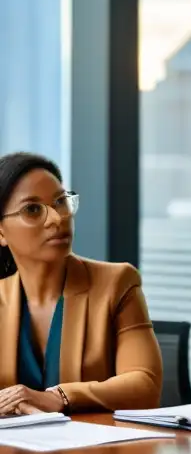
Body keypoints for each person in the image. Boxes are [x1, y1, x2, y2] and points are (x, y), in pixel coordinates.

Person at [0, 153, 162, 414]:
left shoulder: (117, 283)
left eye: (61, 202)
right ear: (1, 232)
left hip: (96, 451)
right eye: (32, 209)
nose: (57, 219)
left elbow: (145, 385)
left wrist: (59, 397)